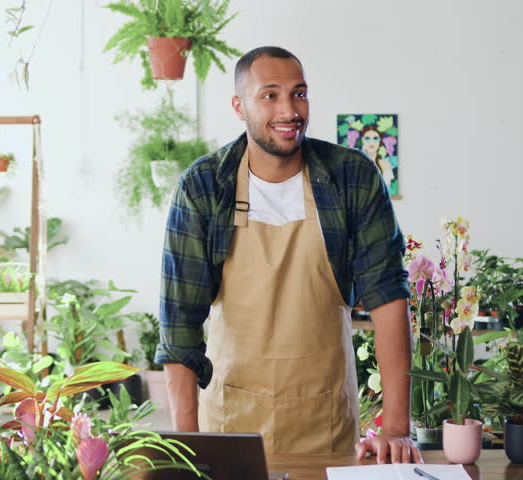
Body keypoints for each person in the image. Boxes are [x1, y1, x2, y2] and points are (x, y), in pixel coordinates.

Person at [156, 46, 420, 464]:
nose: (289, 110)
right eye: (270, 95)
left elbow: (388, 296)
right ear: (238, 106)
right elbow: (180, 325)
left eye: (299, 93)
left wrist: (396, 430)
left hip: (327, 423)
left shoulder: (352, 178)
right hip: (231, 427)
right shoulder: (205, 186)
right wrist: (192, 452)